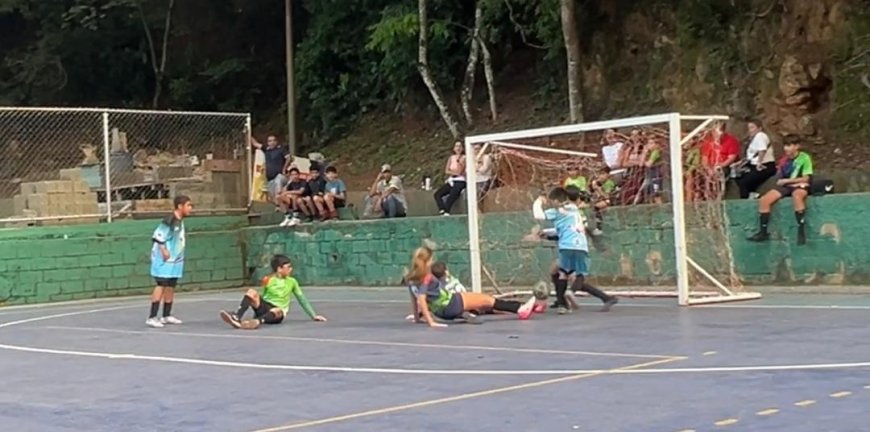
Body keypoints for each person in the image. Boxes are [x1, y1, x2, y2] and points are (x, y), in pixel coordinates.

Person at [534, 187, 617, 314]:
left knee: (569, 275)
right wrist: (547, 232)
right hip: (580, 245)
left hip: (568, 245)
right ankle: (562, 299)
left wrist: (539, 201)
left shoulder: (560, 210)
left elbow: (540, 216)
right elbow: (569, 228)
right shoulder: (575, 210)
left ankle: (564, 301)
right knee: (559, 270)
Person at [406, 247, 536, 327]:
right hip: (450, 304)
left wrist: (417, 318)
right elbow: (421, 299)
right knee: (488, 300)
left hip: (440, 311)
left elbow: (414, 297)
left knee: (483, 303)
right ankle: (520, 309)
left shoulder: (410, 278)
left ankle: (464, 314)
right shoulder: (427, 277)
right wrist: (431, 322)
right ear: (427, 261)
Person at [220, 254, 327, 329]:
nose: (290, 269)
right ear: (279, 269)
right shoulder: (268, 279)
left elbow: (302, 299)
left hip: (278, 313)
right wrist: (257, 308)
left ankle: (257, 322)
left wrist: (314, 315)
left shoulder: (292, 282)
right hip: (266, 307)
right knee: (251, 292)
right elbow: (263, 295)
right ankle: (237, 317)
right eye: (288, 267)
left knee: (277, 310)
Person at [748, 137, 814, 245]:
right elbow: (779, 176)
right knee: (765, 200)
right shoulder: (784, 160)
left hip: (800, 184)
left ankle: (801, 230)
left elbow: (806, 178)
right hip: (786, 185)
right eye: (785, 146)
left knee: (797, 196)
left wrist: (788, 181)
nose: (786, 148)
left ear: (797, 146)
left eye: (789, 145)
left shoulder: (804, 158)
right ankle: (763, 232)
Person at [146, 195, 193, 328]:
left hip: (175, 258)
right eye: (188, 205)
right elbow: (158, 236)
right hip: (164, 258)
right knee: (161, 284)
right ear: (180, 206)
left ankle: (166, 315)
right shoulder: (169, 220)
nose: (190, 208)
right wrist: (164, 250)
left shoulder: (180, 220)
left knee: (171, 285)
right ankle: (152, 317)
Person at [736, 118, 777, 199]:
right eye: (749, 128)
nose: (750, 130)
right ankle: (751, 193)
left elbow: (762, 149)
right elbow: (751, 156)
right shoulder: (753, 139)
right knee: (738, 176)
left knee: (744, 182)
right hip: (754, 164)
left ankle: (745, 200)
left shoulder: (760, 136)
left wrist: (759, 162)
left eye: (752, 127)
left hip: (764, 165)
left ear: (759, 128)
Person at [433, 141, 466, 216]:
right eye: (456, 146)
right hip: (452, 179)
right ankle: (442, 209)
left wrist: (459, 163)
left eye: (460, 146)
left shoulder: (464, 158)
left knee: (453, 194)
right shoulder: (451, 158)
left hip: (460, 180)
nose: (458, 148)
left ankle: (446, 211)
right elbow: (447, 170)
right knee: (437, 194)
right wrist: (454, 172)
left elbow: (460, 171)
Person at [589, 167, 617, 235]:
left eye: (603, 174)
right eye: (600, 174)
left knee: (596, 207)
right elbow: (590, 191)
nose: (601, 176)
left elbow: (606, 196)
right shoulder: (599, 182)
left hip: (609, 200)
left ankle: (599, 227)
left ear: (608, 175)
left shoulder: (609, 183)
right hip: (600, 199)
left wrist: (598, 189)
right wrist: (591, 184)